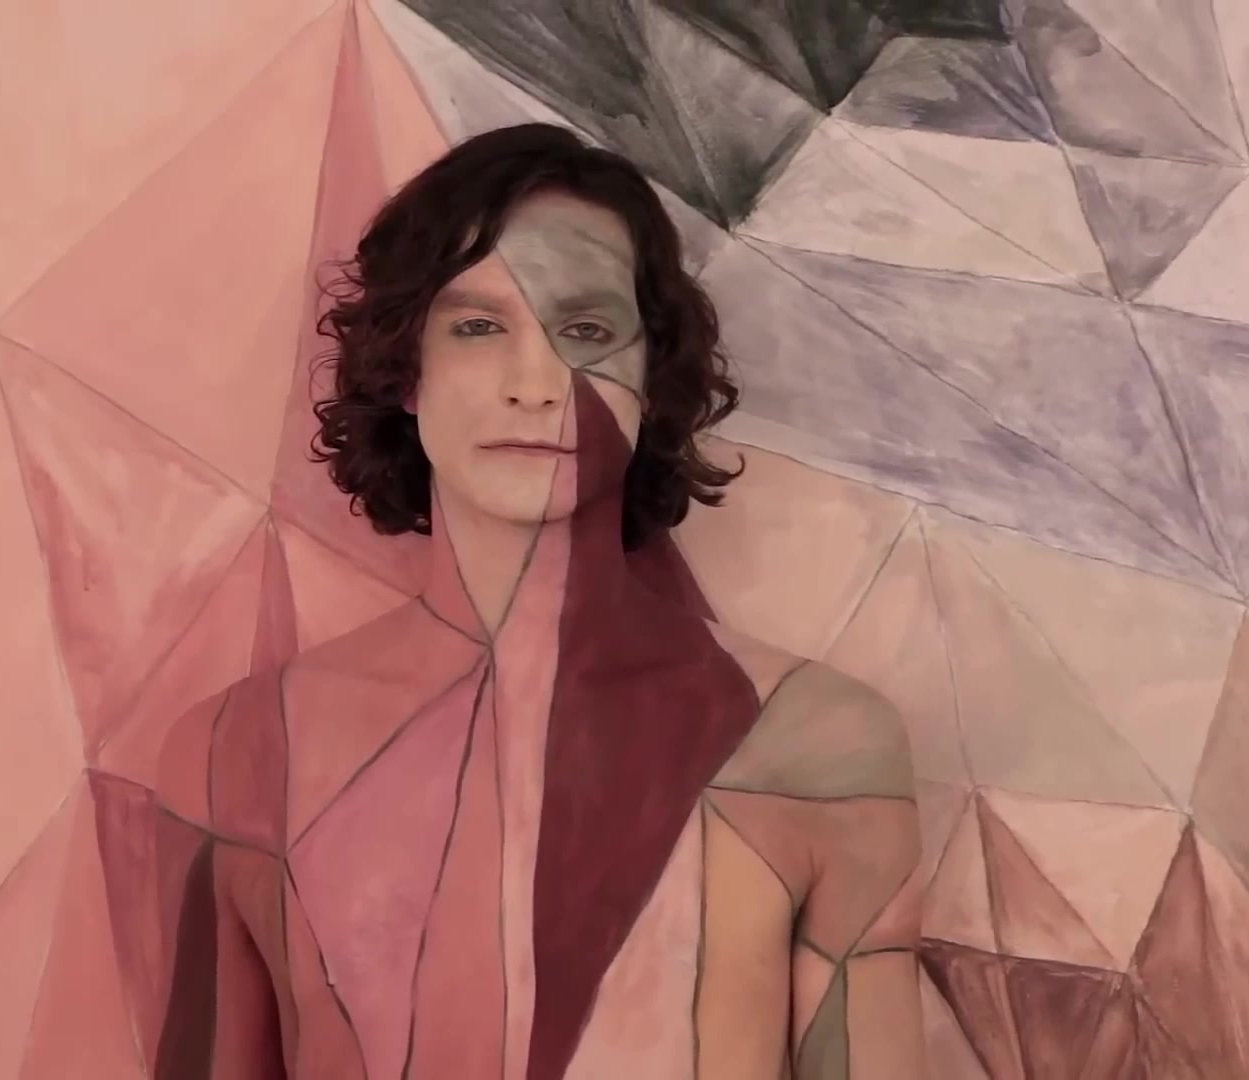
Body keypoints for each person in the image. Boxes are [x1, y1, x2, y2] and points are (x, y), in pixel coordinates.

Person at [111, 122, 924, 1079]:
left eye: (586, 331)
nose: (537, 384)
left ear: (649, 379)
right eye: (478, 326)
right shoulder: (238, 759)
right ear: (405, 372)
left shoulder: (820, 747)